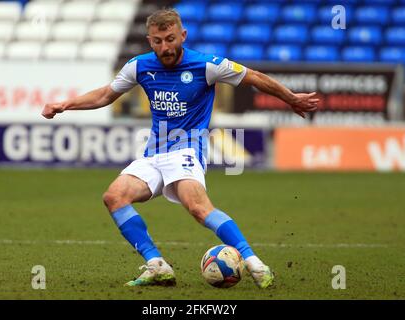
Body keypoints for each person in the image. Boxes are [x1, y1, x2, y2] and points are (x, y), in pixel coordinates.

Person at [41, 9, 319, 288]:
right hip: (153, 153)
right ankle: (157, 265)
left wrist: (291, 98)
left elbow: (254, 77)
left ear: (182, 35)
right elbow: (104, 95)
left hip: (187, 150)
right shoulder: (139, 66)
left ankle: (253, 262)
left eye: (171, 38)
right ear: (150, 41)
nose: (165, 47)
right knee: (114, 197)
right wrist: (65, 104)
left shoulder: (206, 65)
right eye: (158, 41)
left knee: (197, 208)